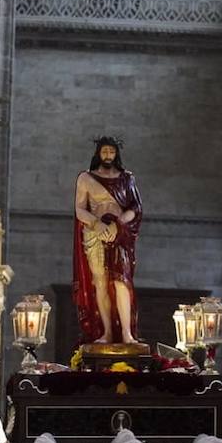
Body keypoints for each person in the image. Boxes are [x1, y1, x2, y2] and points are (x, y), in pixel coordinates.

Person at [74, 135, 144, 345]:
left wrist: (118, 224)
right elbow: (79, 209)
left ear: (117, 154)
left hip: (119, 234)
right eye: (104, 151)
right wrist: (98, 224)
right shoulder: (86, 178)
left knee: (121, 282)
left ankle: (126, 334)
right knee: (101, 283)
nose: (108, 155)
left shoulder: (127, 179)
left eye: (111, 152)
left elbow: (135, 207)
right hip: (95, 234)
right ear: (98, 153)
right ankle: (106, 333)